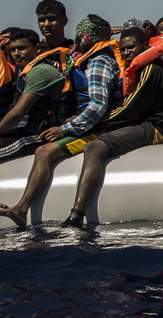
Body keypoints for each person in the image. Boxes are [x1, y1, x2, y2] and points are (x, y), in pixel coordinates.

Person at [0, 15, 123, 227]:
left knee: (44, 152)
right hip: (83, 124)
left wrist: (65, 128)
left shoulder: (98, 62)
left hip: (99, 128)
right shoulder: (80, 60)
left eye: (82, 35)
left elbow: (98, 106)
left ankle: (24, 209)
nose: (78, 39)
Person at [63, 27, 163, 227]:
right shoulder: (142, 67)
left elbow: (129, 110)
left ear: (145, 46)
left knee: (94, 147)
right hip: (146, 123)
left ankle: (76, 214)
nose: (127, 52)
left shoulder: (151, 69)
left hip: (158, 128)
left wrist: (91, 122)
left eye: (131, 47)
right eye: (123, 49)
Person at [0, 29, 65, 161]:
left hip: (35, 135)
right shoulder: (23, 70)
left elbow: (19, 112)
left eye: (22, 48)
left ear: (37, 47)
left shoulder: (40, 71)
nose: (17, 54)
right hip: (18, 132)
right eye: (13, 50)